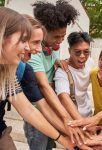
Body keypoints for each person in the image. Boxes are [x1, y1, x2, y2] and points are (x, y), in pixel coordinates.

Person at [0, 7, 73, 150]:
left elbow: (28, 110)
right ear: (3, 38)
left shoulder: (8, 74)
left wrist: (64, 140)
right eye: (23, 40)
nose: (28, 48)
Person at [27, 0, 89, 149]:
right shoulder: (34, 53)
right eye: (57, 37)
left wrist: (58, 62)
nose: (61, 41)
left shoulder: (53, 47)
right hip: (38, 111)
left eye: (63, 36)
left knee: (50, 145)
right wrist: (66, 118)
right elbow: (44, 85)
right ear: (43, 32)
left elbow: (51, 72)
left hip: (52, 108)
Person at [54, 32, 94, 121]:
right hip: (72, 119)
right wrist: (82, 122)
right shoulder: (62, 71)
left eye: (86, 52)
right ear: (69, 51)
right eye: (77, 52)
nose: (82, 56)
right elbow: (63, 97)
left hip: (88, 115)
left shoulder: (90, 62)